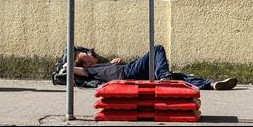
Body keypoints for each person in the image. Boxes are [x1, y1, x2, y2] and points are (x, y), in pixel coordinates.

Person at [66, 45, 238, 91]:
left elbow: (107, 68)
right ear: (86, 63)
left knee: (179, 76)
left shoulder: (102, 65)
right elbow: (78, 71)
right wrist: (67, 66)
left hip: (130, 72)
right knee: (156, 49)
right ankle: (164, 77)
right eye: (85, 55)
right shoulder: (91, 70)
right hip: (128, 73)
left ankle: (211, 84)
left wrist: (115, 62)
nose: (89, 53)